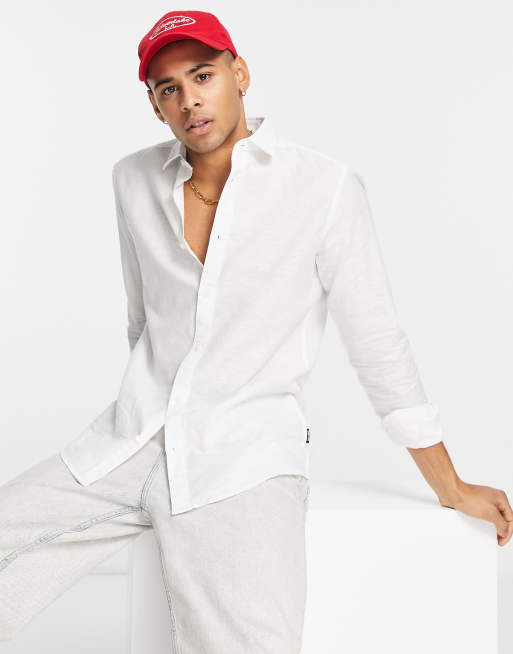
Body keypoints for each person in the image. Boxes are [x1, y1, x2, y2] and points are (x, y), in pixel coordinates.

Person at [1, 9, 511, 652]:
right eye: (168, 88)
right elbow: (144, 319)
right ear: (155, 106)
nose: (190, 100)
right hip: (129, 443)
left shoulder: (323, 188)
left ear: (239, 73)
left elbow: (377, 345)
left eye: (203, 76)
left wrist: (449, 484)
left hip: (243, 458)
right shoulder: (132, 179)